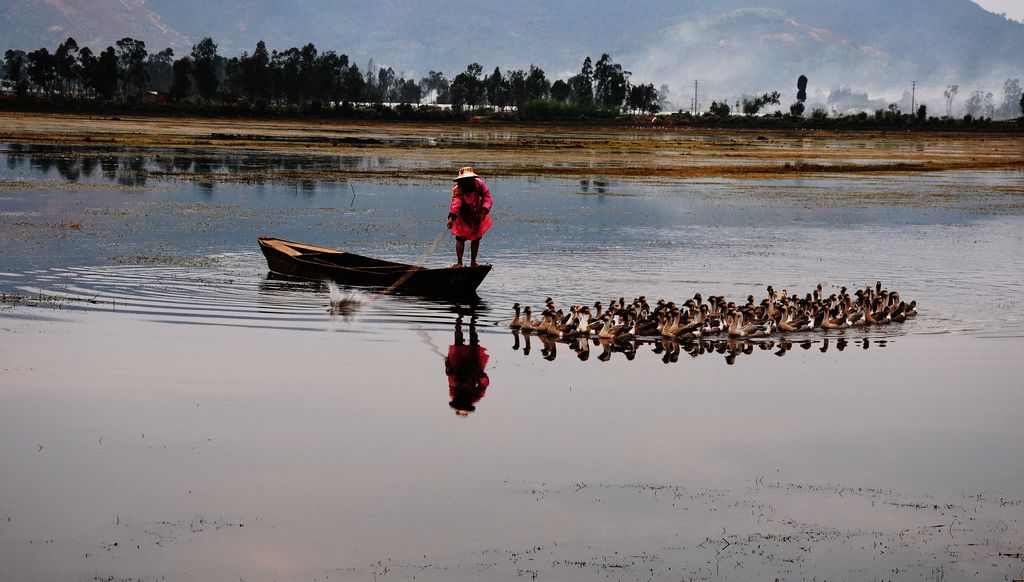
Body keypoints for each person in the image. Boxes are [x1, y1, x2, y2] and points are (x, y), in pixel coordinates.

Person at [446, 166, 493, 268]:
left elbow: (487, 197)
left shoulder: (479, 184)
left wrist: (484, 210)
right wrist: (451, 218)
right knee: (460, 238)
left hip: (477, 212)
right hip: (462, 214)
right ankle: (459, 263)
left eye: (469, 180)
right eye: (465, 180)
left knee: (476, 237)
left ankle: (473, 262)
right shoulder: (458, 189)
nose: (468, 182)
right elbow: (456, 204)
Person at [445, 314, 490, 415]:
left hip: (458, 365)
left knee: (458, 343)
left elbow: (451, 378)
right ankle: (473, 322)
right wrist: (481, 376)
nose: (463, 402)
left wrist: (448, 367)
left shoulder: (454, 392)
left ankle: (459, 320)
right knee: (474, 344)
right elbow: (484, 385)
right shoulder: (475, 397)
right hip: (474, 368)